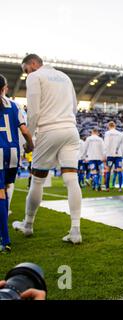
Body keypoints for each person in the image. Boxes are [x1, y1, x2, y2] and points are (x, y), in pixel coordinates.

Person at [13, 54, 82, 244]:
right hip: (71, 130)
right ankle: (75, 230)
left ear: (33, 64)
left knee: (37, 180)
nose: (27, 74)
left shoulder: (35, 77)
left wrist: (29, 137)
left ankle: (27, 224)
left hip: (49, 130)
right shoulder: (65, 77)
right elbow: (75, 107)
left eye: (26, 70)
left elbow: (33, 111)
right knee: (71, 179)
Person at [0, 74, 34, 253]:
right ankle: (3, 234)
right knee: (4, 192)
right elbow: (25, 130)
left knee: (0, 194)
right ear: (5, 88)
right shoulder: (14, 105)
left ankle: (4, 239)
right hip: (12, 154)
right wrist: (30, 146)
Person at [104, 121, 123, 192]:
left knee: (108, 171)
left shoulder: (107, 133)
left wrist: (104, 155)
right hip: (118, 155)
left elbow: (106, 144)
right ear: (114, 126)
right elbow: (121, 145)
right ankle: (120, 187)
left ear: (109, 126)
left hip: (110, 155)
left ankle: (107, 187)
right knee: (119, 171)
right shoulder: (120, 134)